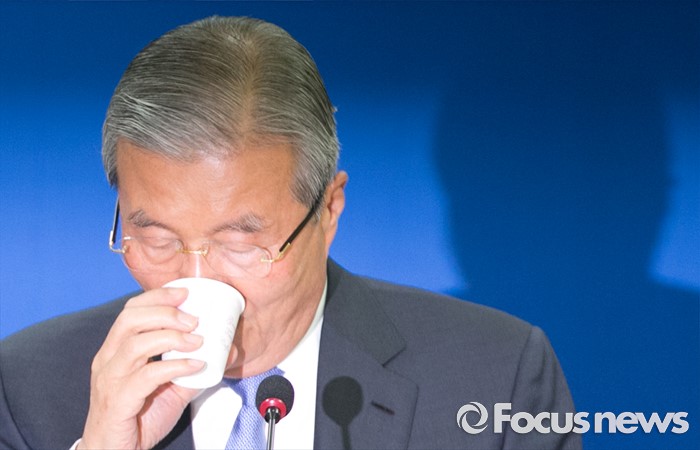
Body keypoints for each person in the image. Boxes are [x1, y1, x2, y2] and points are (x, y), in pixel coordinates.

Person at [0, 16, 580, 450]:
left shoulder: (496, 378)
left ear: (328, 211)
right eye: (158, 239)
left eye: (239, 242)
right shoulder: (29, 387)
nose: (195, 281)